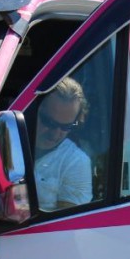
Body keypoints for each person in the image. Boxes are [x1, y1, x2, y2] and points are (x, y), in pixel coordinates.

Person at [34, 77, 92, 210]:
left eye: (65, 127)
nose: (55, 134)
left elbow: (68, 220)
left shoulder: (75, 161)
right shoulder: (10, 135)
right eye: (49, 123)